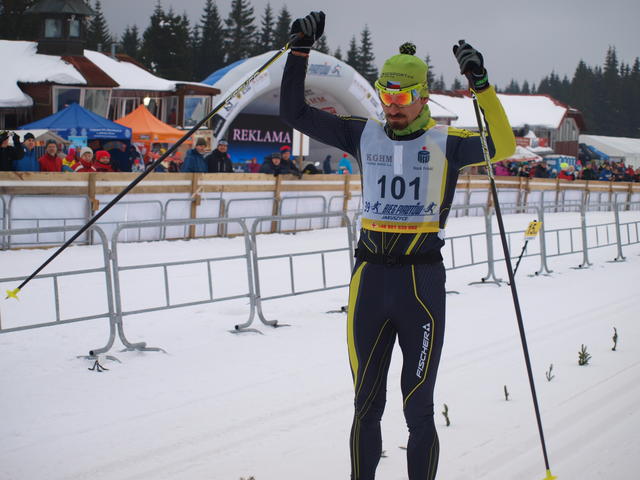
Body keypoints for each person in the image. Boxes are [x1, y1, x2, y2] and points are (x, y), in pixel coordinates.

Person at [280, 12, 515, 480]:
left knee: (418, 406)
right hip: (369, 280)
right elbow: (294, 114)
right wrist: (299, 51)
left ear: (423, 96)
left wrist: (481, 86)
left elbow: (503, 145)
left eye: (403, 96)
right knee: (365, 404)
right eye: (385, 95)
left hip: (419, 283)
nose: (393, 106)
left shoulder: (448, 142)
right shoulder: (361, 133)